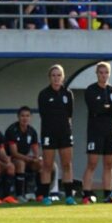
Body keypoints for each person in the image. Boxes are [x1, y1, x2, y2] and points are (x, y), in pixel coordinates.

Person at [81, 62, 112, 204]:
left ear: (109, 74)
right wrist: (108, 108)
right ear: (97, 74)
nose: (103, 75)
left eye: (106, 72)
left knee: (109, 164)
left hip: (111, 132)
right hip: (95, 132)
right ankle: (86, 194)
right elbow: (95, 109)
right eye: (101, 72)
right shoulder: (91, 90)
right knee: (92, 163)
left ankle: (107, 195)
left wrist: (106, 107)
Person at [38, 65, 75, 205]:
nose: (56, 78)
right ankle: (45, 196)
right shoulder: (44, 94)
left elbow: (69, 115)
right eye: (53, 75)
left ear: (63, 77)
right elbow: (43, 115)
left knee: (67, 164)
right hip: (49, 133)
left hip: (64, 133)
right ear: (50, 77)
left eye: (59, 75)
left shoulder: (68, 94)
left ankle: (69, 196)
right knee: (47, 165)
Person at [5, 107, 42, 202]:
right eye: (22, 116)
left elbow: (35, 149)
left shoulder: (32, 131)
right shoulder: (12, 130)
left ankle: (38, 193)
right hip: (11, 158)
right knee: (21, 163)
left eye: (27, 116)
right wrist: (29, 159)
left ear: (31, 117)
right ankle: (19, 194)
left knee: (41, 164)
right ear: (18, 117)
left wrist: (36, 158)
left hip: (25, 158)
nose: (25, 118)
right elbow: (14, 153)